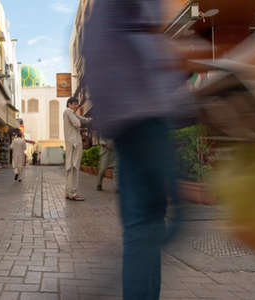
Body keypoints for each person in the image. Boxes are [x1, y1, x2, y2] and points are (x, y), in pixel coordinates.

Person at [82, 1, 188, 299]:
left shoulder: (98, 15)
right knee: (159, 227)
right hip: (145, 118)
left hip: (126, 122)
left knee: (143, 228)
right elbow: (150, 41)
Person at [63, 97, 91, 201]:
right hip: (74, 143)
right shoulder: (68, 112)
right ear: (69, 104)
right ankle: (73, 194)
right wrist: (88, 122)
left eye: (76, 104)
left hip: (72, 143)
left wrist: (88, 120)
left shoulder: (71, 113)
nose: (76, 106)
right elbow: (78, 123)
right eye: (74, 104)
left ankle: (68, 192)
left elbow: (81, 118)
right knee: (74, 167)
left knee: (70, 167)